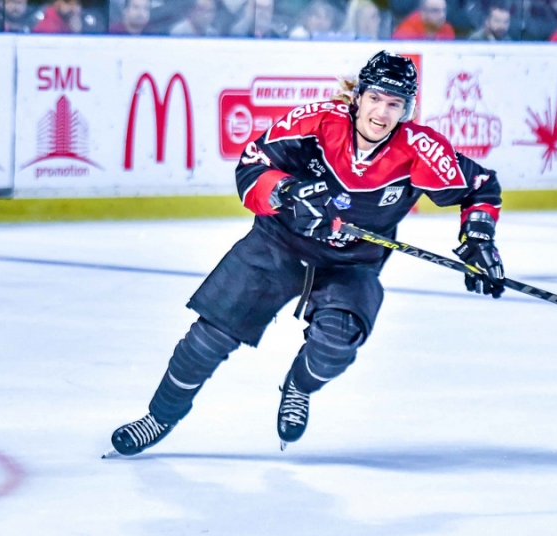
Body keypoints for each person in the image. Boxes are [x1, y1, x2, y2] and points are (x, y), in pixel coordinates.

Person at [107, 51, 505, 457]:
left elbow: (481, 186)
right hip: (279, 242)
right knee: (209, 338)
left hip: (352, 262)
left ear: (407, 110)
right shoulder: (315, 122)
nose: (382, 113)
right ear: (358, 97)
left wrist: (479, 240)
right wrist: (284, 192)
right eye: (375, 98)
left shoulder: (419, 150)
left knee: (335, 345)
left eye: (395, 103)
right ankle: (159, 416)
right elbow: (252, 164)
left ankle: (299, 385)